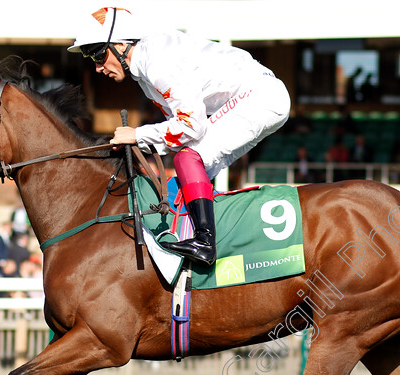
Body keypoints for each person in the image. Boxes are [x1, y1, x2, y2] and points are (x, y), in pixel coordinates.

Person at [68, 6, 290, 265]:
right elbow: (181, 130)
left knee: (188, 159)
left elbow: (191, 126)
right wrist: (141, 141)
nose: (97, 68)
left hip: (259, 96)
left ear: (120, 44)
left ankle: (206, 242)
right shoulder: (145, 72)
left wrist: (137, 135)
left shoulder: (157, 62)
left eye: (98, 55)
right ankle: (209, 235)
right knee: (192, 170)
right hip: (258, 97)